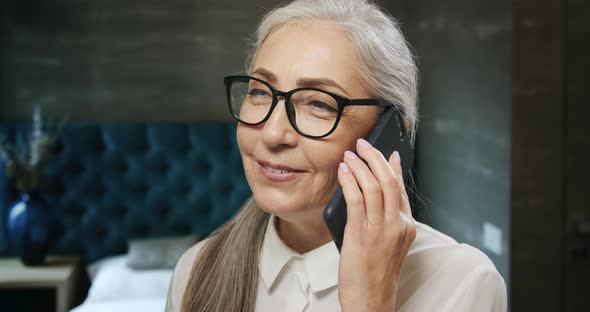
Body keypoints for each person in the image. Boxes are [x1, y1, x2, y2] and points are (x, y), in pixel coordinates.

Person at [166, 0, 507, 311]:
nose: (272, 134)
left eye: (318, 103)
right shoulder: (195, 271)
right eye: (259, 91)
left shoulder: (462, 282)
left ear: (388, 135)